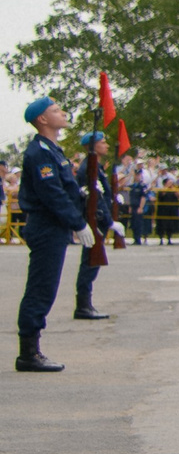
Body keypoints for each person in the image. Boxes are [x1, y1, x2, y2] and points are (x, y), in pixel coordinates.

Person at [16, 98, 90, 371]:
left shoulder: (53, 150)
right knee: (41, 289)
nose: (63, 113)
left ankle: (31, 350)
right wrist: (77, 223)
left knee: (46, 288)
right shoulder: (39, 152)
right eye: (56, 111)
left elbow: (67, 190)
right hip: (47, 226)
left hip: (54, 227)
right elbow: (52, 194)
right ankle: (28, 353)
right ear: (43, 120)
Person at [75, 131, 116, 321]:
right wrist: (108, 221)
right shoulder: (88, 169)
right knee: (90, 262)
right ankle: (83, 305)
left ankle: (85, 304)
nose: (106, 145)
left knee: (92, 263)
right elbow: (95, 199)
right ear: (93, 146)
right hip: (95, 221)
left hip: (98, 220)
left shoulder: (96, 168)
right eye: (103, 141)